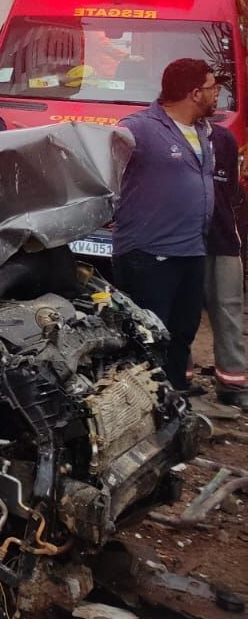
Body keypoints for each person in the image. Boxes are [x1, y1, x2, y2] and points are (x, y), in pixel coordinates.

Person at [111, 58, 218, 390]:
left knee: (183, 331)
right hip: (148, 253)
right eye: (214, 89)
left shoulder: (203, 130)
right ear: (195, 93)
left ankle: (175, 401)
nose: (218, 96)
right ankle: (143, 404)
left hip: (191, 248)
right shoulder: (139, 128)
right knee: (148, 335)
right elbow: (103, 167)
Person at [205, 122, 248, 408]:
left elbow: (232, 189)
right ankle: (179, 382)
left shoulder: (223, 138)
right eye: (209, 89)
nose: (213, 96)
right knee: (181, 313)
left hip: (221, 238)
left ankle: (233, 382)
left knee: (229, 307)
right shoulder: (159, 134)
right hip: (178, 240)